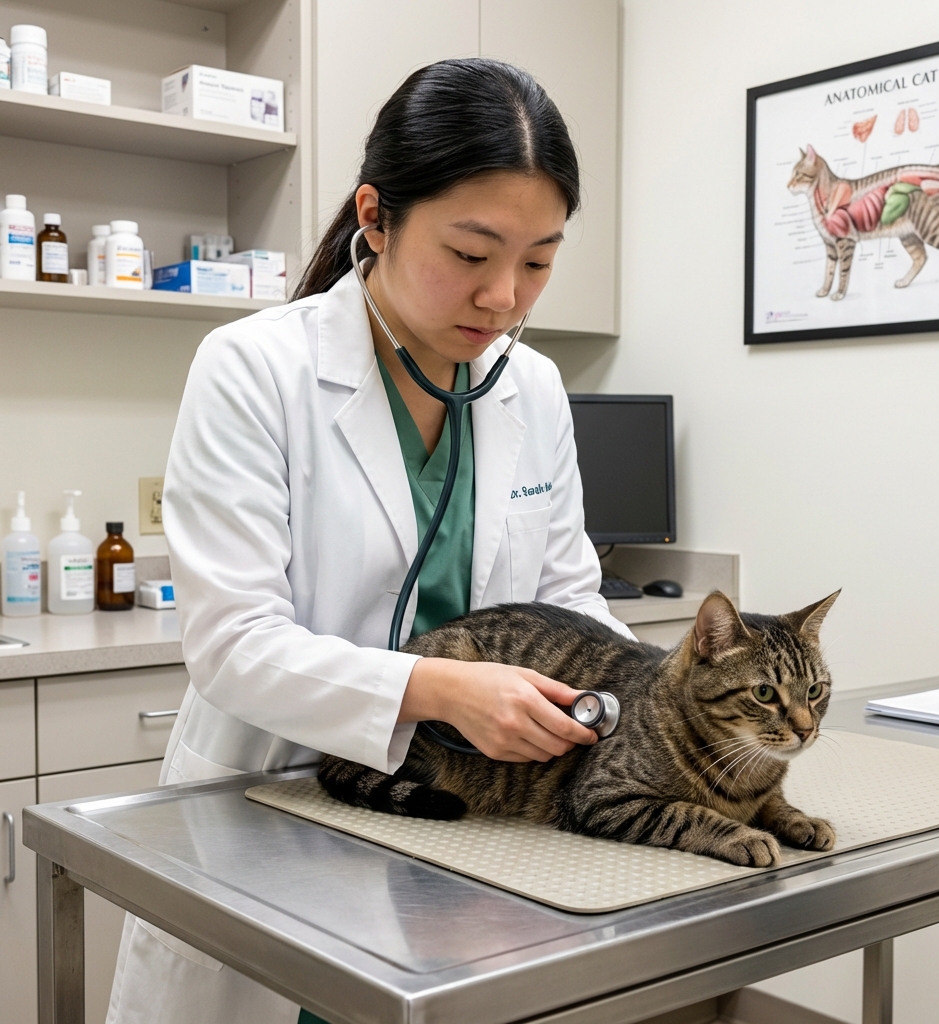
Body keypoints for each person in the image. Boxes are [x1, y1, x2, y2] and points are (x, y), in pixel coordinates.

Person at [104, 57, 633, 1024]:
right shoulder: (255, 367)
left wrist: (640, 701)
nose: (506, 296)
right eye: (472, 254)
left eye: (540, 259)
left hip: (467, 820)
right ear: (375, 218)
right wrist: (438, 688)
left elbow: (572, 600)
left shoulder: (534, 386)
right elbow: (232, 643)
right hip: (278, 805)